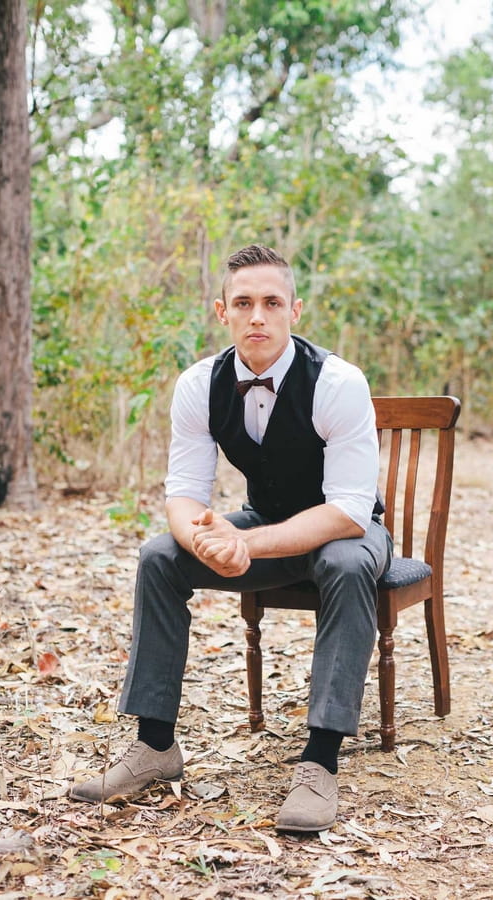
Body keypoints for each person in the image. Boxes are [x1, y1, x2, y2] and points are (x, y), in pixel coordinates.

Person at [70, 244, 392, 832]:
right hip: (264, 522)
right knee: (160, 555)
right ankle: (155, 745)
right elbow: (182, 495)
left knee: (346, 564)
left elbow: (348, 510)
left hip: (347, 531)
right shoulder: (199, 384)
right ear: (222, 312)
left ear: (297, 310)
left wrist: (248, 546)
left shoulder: (338, 382)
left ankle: (319, 762)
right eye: (243, 303)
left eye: (272, 303)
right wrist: (204, 539)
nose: (258, 317)